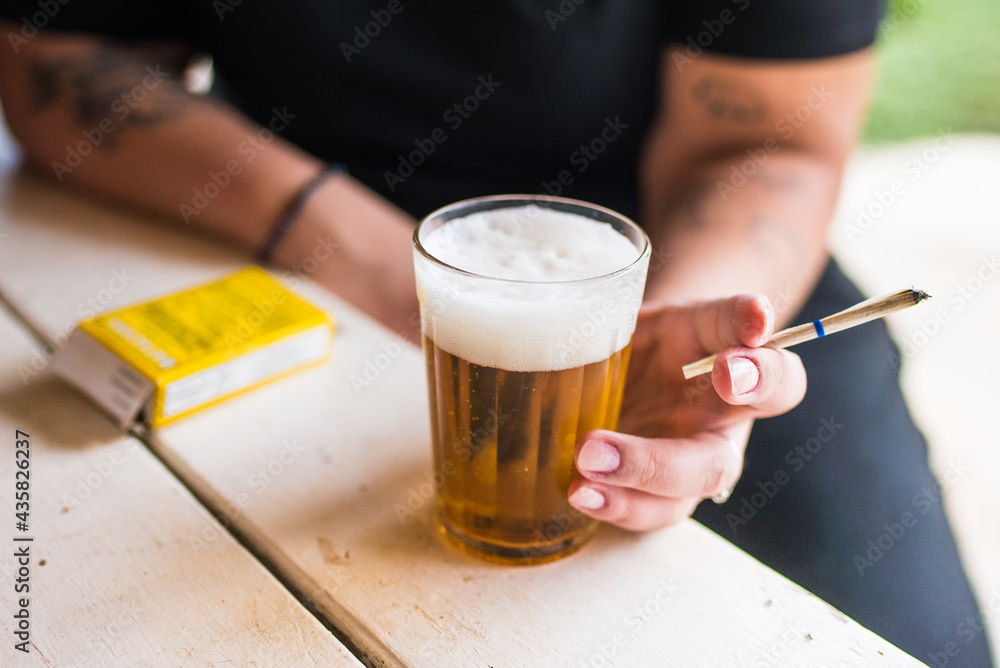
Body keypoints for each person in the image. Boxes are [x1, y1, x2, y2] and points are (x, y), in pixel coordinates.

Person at [0, 2, 991, 665]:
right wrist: (391, 269)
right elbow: (57, 57)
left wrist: (658, 323)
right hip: (274, 230)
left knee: (908, 640)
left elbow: (768, 136)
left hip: (696, 264)